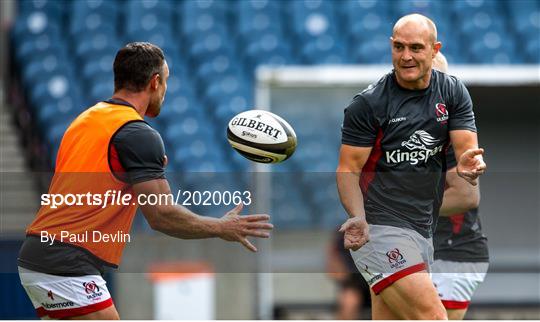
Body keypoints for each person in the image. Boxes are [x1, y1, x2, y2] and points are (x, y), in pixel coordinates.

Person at [17, 42, 273, 320]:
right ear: (154, 82)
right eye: (166, 81)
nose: (165, 90)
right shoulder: (136, 133)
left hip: (43, 254)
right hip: (65, 260)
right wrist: (221, 227)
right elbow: (161, 215)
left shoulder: (84, 121)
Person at [336, 14, 486, 320]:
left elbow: (466, 149)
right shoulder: (369, 104)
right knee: (434, 317)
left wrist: (470, 161)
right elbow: (347, 169)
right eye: (399, 47)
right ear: (391, 46)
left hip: (423, 232)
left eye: (416, 48)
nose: (406, 56)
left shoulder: (453, 92)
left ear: (434, 49)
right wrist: (358, 217)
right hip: (380, 229)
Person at [431, 52, 490, 320]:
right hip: (422, 248)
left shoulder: (454, 132)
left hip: (453, 251)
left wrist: (398, 210)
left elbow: (467, 197)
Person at [326, 229, 371, 320]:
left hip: (379, 279)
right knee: (349, 303)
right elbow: (332, 253)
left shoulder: (382, 228)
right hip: (354, 282)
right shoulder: (344, 230)